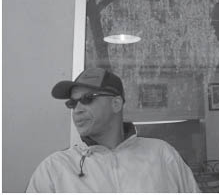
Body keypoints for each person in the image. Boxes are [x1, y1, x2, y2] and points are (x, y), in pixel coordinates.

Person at [26, 68, 200, 192]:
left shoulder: (162, 155)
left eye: (87, 99)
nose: (77, 109)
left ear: (116, 103)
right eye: (72, 103)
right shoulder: (55, 168)